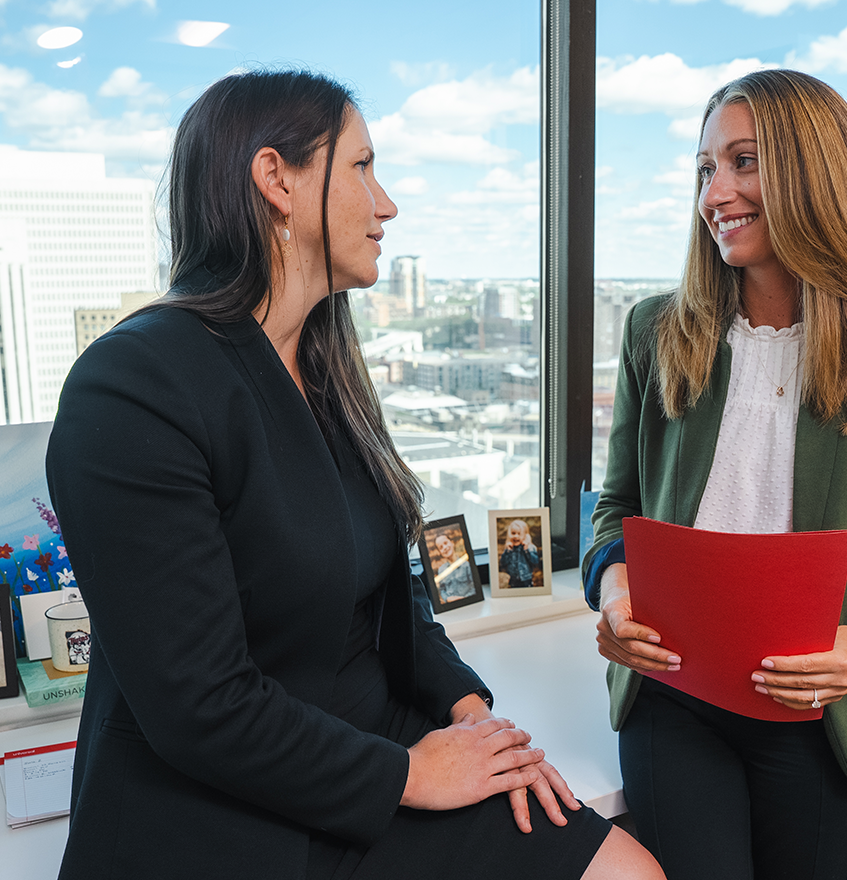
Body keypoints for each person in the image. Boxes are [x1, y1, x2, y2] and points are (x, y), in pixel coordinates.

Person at [46, 70, 664, 880]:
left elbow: (384, 591)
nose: (388, 204)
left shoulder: (322, 364)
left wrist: (474, 720)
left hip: (378, 745)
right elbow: (200, 706)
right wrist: (414, 775)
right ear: (277, 180)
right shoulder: (132, 387)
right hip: (231, 806)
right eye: (363, 168)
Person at [582, 69, 847, 880]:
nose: (716, 191)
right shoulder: (657, 331)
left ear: (814, 171)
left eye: (743, 161)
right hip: (674, 693)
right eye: (704, 169)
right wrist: (615, 597)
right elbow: (616, 507)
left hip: (815, 709)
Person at [433, 531, 476, 602]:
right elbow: (442, 590)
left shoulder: (466, 565)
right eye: (441, 547)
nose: (445, 547)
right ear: (440, 552)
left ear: (452, 543)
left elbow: (474, 587)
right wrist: (447, 598)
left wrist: (464, 599)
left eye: (445, 543)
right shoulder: (441, 570)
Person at [499, 519, 542, 587]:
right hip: (513, 579)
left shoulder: (530, 547)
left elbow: (535, 562)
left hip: (526, 579)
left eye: (519, 534)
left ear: (525, 535)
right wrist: (508, 551)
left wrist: (526, 550)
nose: (516, 536)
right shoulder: (509, 548)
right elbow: (503, 563)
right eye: (513, 533)